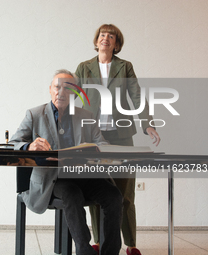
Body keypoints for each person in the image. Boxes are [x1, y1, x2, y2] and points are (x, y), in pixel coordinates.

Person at [9, 69, 123, 255]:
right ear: (50, 89)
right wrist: (29, 147)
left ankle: (110, 252)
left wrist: (100, 150)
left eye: (67, 88)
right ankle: (84, 250)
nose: (61, 92)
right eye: (57, 87)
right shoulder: (34, 114)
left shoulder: (86, 116)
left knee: (114, 196)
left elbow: (102, 143)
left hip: (85, 176)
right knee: (72, 193)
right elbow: (13, 144)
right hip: (53, 179)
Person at [75, 24, 161, 255]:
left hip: (121, 136)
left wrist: (147, 123)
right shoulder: (84, 68)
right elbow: (71, 95)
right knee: (95, 190)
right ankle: (97, 240)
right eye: (102, 35)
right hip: (92, 137)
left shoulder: (125, 67)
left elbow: (136, 95)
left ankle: (131, 244)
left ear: (116, 43)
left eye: (110, 36)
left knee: (124, 193)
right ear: (96, 40)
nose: (105, 38)